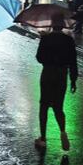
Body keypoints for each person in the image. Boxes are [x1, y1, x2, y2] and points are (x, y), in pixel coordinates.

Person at [34, 13, 78, 151]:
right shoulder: (68, 40)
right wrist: (73, 80)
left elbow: (39, 58)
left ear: (52, 24)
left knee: (44, 105)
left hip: (48, 73)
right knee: (58, 106)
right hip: (61, 75)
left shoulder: (46, 39)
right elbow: (73, 62)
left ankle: (43, 137)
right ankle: (63, 132)